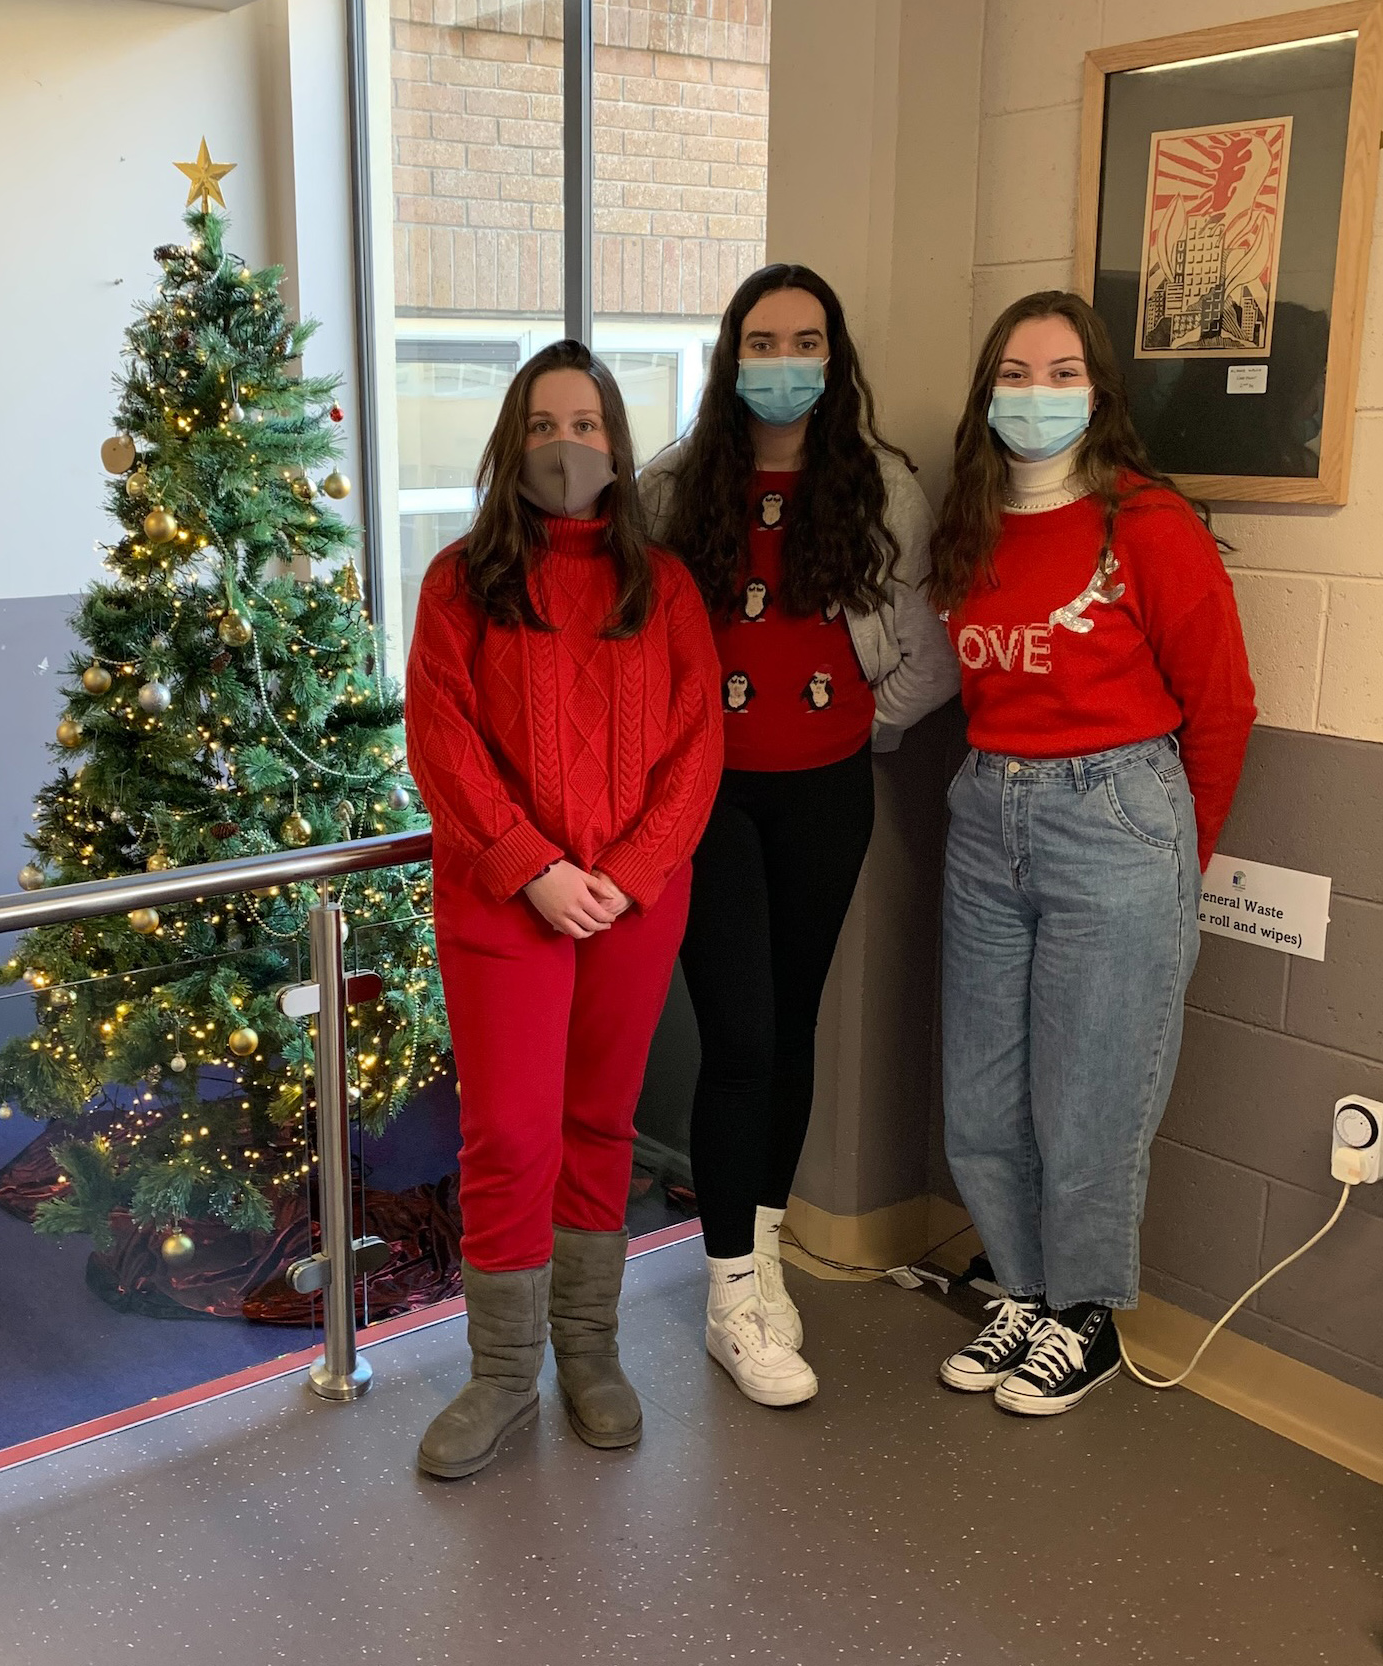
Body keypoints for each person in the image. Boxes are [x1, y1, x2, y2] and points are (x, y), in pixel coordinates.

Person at [930, 291, 1256, 1416]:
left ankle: (1086, 1317)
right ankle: (1021, 1289)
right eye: (1015, 373)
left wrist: (1172, 863)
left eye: (1061, 373)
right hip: (986, 813)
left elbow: (1222, 706)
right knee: (980, 1095)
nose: (1037, 394)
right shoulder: (970, 524)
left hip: (1116, 817)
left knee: (1089, 1101)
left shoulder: (1147, 524)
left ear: (1099, 392)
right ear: (987, 392)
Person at [639, 264, 960, 1407]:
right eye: (762, 342)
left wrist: (862, 727)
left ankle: (762, 1250)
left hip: (826, 796)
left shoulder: (880, 490)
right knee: (738, 1036)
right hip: (708, 803)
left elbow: (927, 653)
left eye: (806, 342)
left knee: (789, 1032)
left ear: (835, 358)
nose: (784, 363)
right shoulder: (670, 491)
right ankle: (729, 1291)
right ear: (731, 357)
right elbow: (635, 653)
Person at [405, 340, 723, 1477]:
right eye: (542, 425)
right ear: (510, 442)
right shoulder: (458, 583)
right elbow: (440, 743)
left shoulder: (664, 587)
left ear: (617, 444)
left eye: (585, 425)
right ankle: (501, 1373)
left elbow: (697, 749)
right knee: (509, 1134)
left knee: (600, 1124)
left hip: (632, 904)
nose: (565, 445)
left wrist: (628, 873)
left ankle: (589, 1349)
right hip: (505, 902)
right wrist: (530, 864)